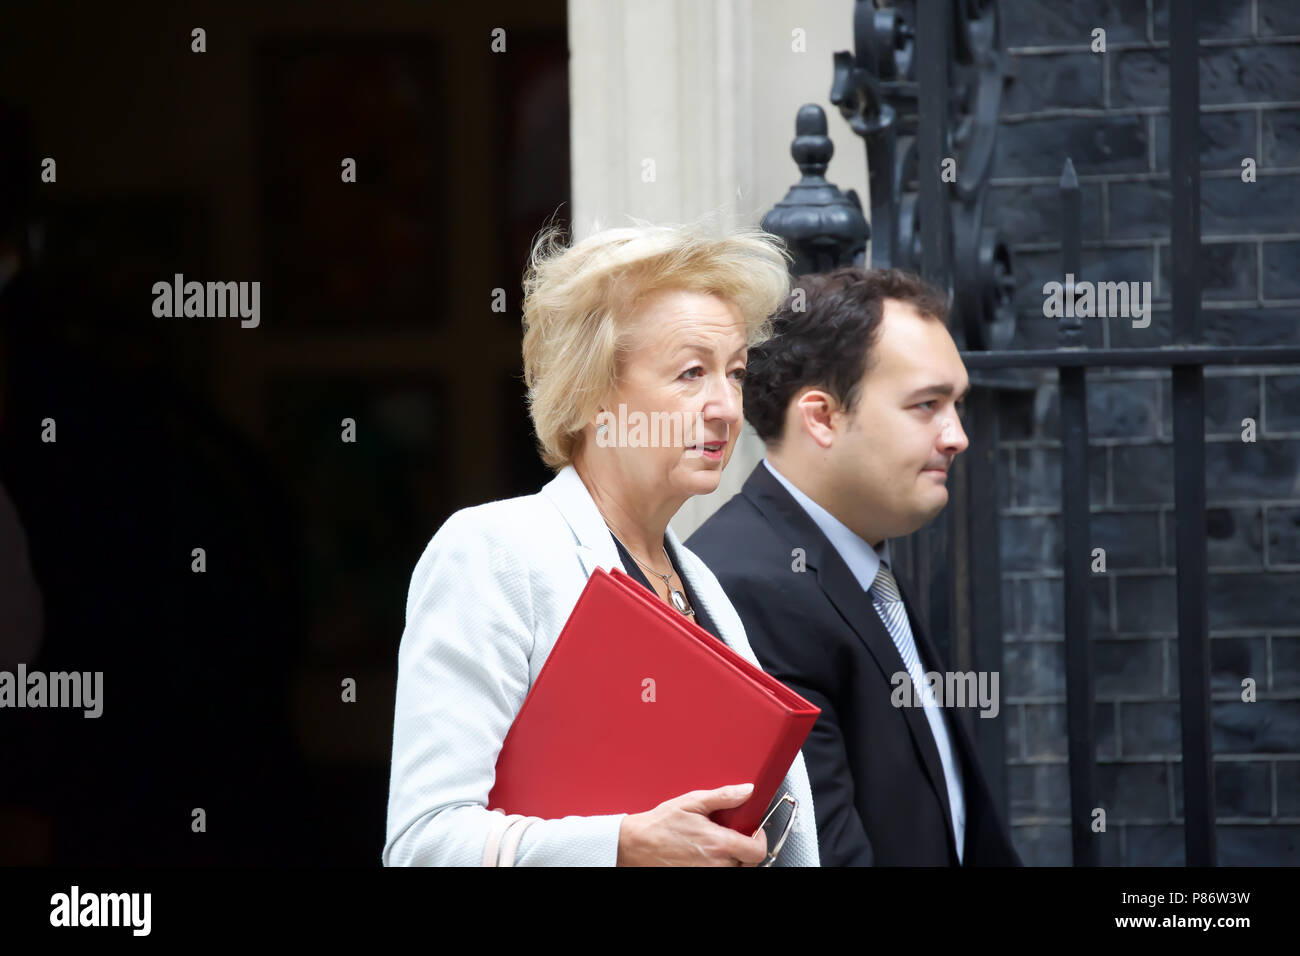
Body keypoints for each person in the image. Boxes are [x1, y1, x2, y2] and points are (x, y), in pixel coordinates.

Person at [383, 223, 819, 866]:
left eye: (735, 372)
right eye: (691, 373)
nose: (726, 406)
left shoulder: (701, 579)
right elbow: (423, 844)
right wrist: (620, 846)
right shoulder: (494, 552)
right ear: (594, 396)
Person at [687, 267, 1021, 866]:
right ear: (821, 417)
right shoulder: (747, 584)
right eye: (927, 405)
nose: (957, 436)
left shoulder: (858, 561)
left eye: (957, 405)